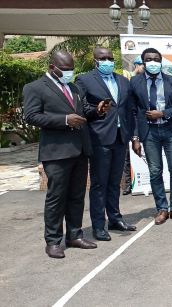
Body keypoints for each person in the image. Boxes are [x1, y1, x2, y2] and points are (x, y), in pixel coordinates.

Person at [23, 50, 98, 258]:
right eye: (65, 69)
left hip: (80, 149)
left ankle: (74, 235)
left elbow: (82, 112)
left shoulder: (73, 87)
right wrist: (64, 120)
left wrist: (97, 110)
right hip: (56, 152)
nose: (69, 73)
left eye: (71, 69)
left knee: (76, 195)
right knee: (56, 197)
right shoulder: (35, 88)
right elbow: (31, 116)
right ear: (52, 68)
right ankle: (53, 241)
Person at [75, 47, 137, 242]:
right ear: (95, 60)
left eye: (110, 58)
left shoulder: (123, 81)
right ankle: (98, 225)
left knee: (114, 182)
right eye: (103, 58)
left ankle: (115, 218)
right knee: (99, 184)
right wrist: (97, 110)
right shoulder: (84, 80)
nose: (108, 61)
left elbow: (129, 110)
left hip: (120, 138)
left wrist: (133, 136)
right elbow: (82, 108)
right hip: (99, 138)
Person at [130, 47, 172, 225]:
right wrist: (135, 138)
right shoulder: (135, 82)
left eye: (156, 59)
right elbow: (132, 112)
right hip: (149, 133)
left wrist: (163, 113)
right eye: (149, 59)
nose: (153, 62)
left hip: (171, 130)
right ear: (143, 62)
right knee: (155, 172)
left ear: (161, 61)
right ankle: (162, 209)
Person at [122, 57, 144, 196]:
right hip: (129, 123)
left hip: (144, 123)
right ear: (137, 65)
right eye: (143, 64)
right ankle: (129, 183)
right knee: (128, 157)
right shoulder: (128, 80)